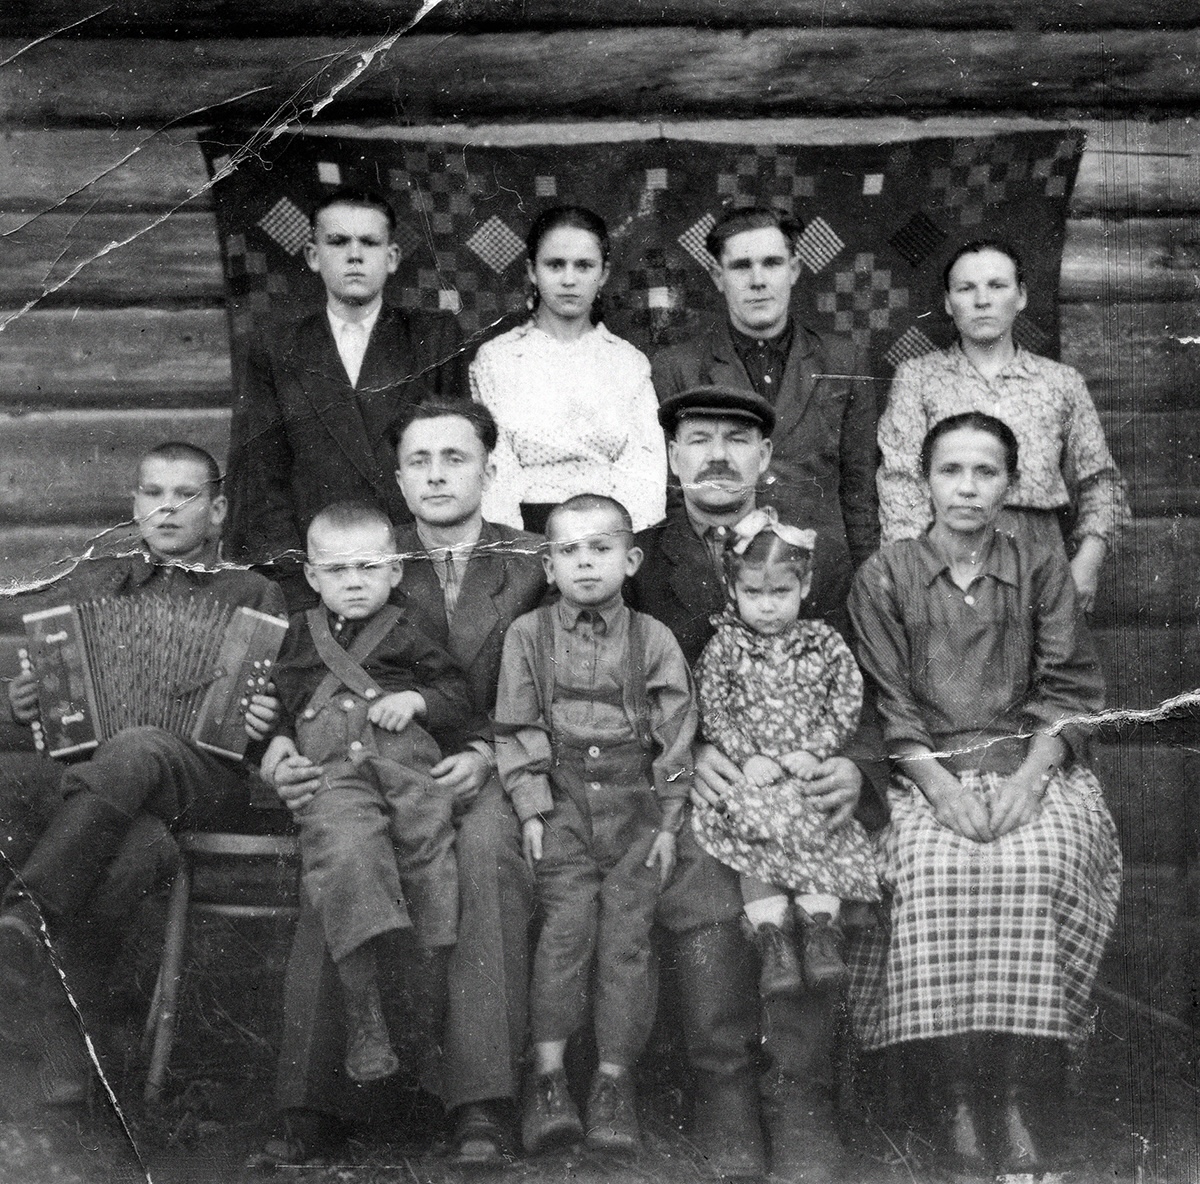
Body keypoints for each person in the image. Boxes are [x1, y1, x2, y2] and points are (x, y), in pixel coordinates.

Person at [263, 400, 546, 1167]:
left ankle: (480, 1099)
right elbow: (299, 683)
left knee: (485, 851)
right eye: (420, 461)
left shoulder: (532, 563)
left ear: (489, 467)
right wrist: (281, 745)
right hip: (363, 761)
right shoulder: (363, 555)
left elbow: (556, 681)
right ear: (398, 476)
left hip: (486, 764)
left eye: (456, 458)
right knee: (342, 847)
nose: (437, 475)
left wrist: (488, 754)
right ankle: (313, 1099)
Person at [848, 411, 1122, 1178]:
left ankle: (1020, 1095)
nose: (967, 487)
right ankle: (956, 1097)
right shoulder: (886, 575)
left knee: (1040, 862)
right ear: (925, 481)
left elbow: (1068, 689)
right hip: (922, 772)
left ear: (1009, 484)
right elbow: (889, 703)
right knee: (931, 870)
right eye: (951, 470)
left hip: (1031, 763)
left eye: (985, 472)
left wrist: (1031, 781)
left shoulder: (1041, 568)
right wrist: (939, 790)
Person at [628, 385, 883, 1184]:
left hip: (800, 779)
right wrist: (687, 757)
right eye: (698, 439)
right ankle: (726, 1091)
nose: (717, 456)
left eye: (737, 440)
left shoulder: (820, 557)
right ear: (672, 456)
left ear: (766, 456)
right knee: (706, 882)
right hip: (689, 786)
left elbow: (860, 679)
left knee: (810, 871)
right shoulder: (637, 561)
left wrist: (854, 763)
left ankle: (800, 1097)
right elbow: (610, 694)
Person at [0, 442, 285, 1096]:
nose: (166, 508)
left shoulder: (254, 592)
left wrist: (269, 714)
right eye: (153, 493)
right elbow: (58, 706)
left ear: (217, 511)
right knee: (137, 849)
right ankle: (73, 1054)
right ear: (134, 506)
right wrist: (26, 701)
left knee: (139, 747)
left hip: (206, 778)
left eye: (185, 495)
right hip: (115, 799)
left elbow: (272, 705)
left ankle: (25, 910)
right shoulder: (95, 584)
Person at [494, 494, 696, 1155]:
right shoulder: (528, 636)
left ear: (630, 561)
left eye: (601, 548)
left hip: (636, 810)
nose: (585, 562)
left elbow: (675, 738)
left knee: (626, 939)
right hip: (564, 806)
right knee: (566, 929)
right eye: (569, 551)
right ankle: (548, 1078)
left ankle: (614, 1081)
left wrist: (669, 820)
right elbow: (517, 727)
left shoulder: (653, 639)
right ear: (548, 566)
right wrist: (531, 806)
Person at [264, 501, 483, 1085]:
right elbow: (276, 706)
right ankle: (365, 1013)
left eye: (367, 567)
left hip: (410, 775)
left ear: (394, 570)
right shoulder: (297, 638)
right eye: (336, 570)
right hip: (333, 777)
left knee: (431, 866)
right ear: (312, 577)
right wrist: (277, 741)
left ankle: (424, 1019)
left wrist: (417, 700)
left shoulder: (412, 630)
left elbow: (458, 696)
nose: (354, 581)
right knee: (348, 857)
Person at [226, 185, 468, 607]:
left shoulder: (433, 337)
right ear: (313, 255)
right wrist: (299, 582)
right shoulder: (276, 346)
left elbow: (457, 461)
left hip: (412, 569)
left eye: (369, 242)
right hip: (316, 574)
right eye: (338, 242)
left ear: (392, 257)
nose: (354, 255)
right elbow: (261, 478)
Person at [651, 205, 879, 626]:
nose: (757, 280)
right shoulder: (677, 367)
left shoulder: (843, 360)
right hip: (720, 583)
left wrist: (868, 592)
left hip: (821, 583)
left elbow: (860, 492)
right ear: (718, 276)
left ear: (794, 269)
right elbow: (675, 493)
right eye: (741, 266)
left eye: (772, 263)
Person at [876, 239, 1131, 612]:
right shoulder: (918, 379)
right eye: (966, 288)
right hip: (949, 556)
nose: (982, 300)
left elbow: (1101, 483)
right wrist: (915, 572)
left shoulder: (1060, 382)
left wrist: (1087, 565)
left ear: (1021, 296)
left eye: (997, 286)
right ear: (948, 302)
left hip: (1040, 556)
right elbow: (900, 483)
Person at [692, 506, 879, 1001]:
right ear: (732, 588)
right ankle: (772, 938)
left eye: (780, 593)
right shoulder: (725, 646)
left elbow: (845, 702)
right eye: (753, 593)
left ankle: (820, 933)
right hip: (755, 776)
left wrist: (815, 751)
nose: (768, 607)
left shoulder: (825, 643)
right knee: (752, 831)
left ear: (805, 585)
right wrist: (744, 756)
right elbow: (713, 709)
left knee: (821, 823)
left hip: (803, 771)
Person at [471, 205, 667, 533]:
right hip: (525, 531)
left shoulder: (628, 363)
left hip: (610, 532)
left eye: (584, 266)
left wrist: (617, 541)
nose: (569, 279)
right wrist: (517, 545)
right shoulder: (497, 359)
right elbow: (495, 467)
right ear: (532, 271)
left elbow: (646, 473)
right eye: (555, 265)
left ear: (603, 273)